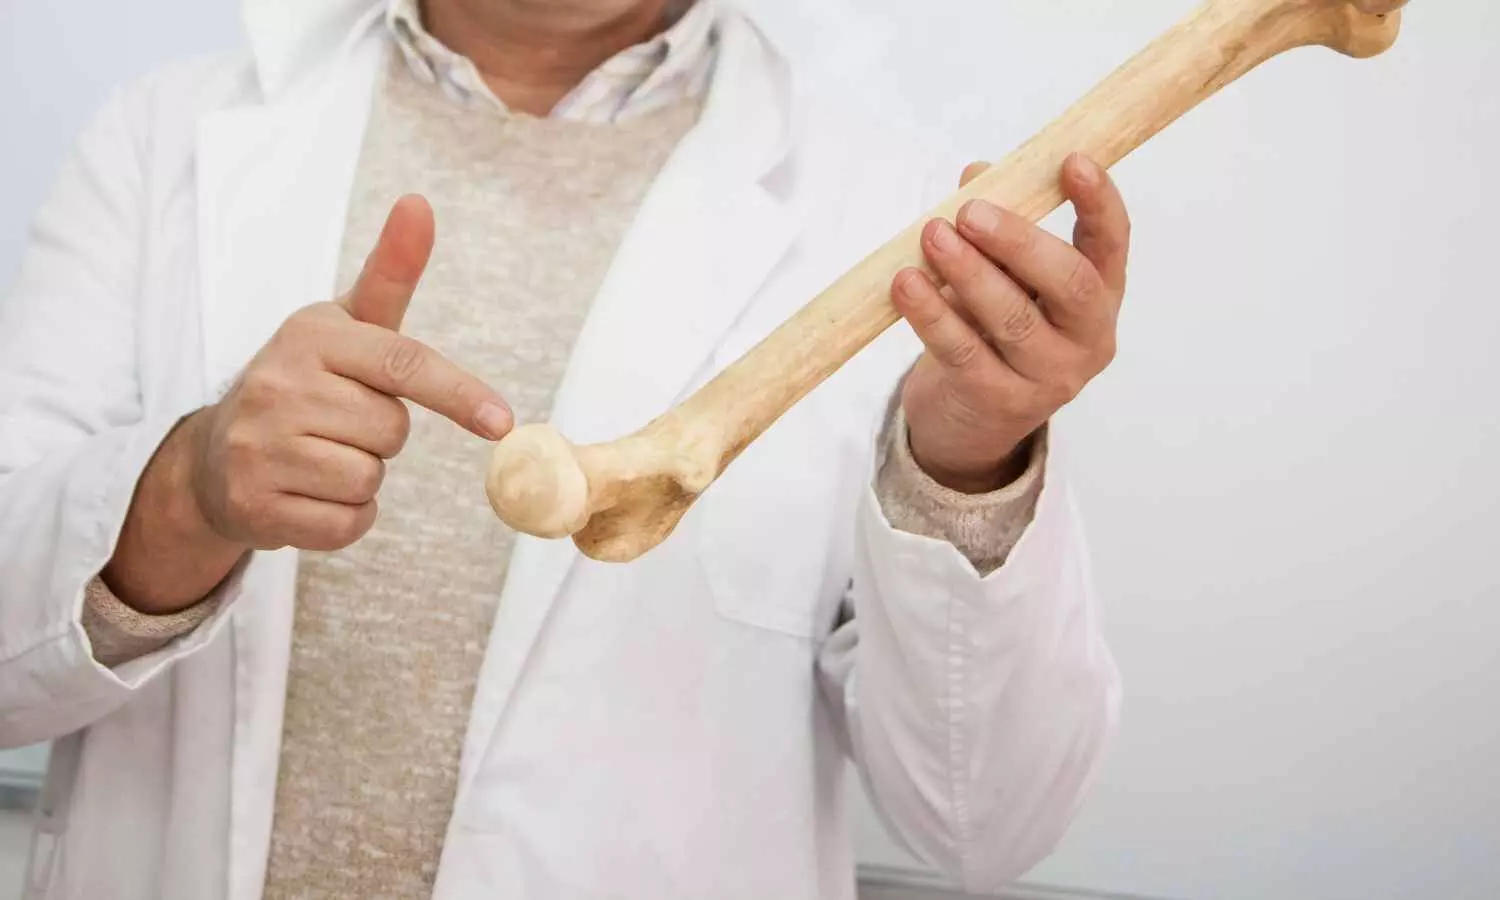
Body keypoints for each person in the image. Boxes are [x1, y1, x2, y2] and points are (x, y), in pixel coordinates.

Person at [0, 0, 1130, 897]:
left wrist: (968, 469)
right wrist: (186, 495)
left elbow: (984, 823)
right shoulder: (161, 142)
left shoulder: (902, 233)